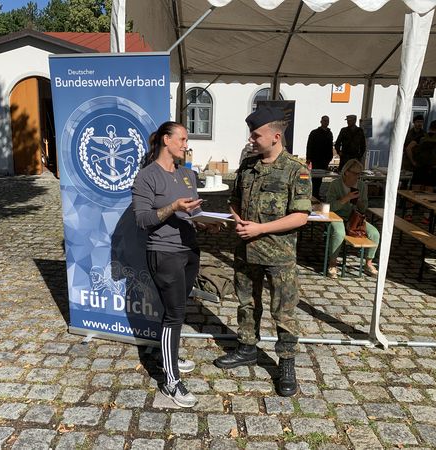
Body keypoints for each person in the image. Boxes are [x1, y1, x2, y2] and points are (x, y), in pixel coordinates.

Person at [214, 106, 312, 397]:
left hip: (278, 255)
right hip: (245, 250)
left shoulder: (296, 171)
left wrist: (260, 229)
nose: (251, 140)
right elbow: (233, 201)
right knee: (246, 303)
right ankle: (247, 348)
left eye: (256, 135)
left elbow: (301, 216)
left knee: (282, 310)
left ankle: (286, 363)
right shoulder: (248, 166)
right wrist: (238, 218)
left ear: (275, 136)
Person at [131, 121, 219, 408]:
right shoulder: (146, 177)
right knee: (175, 314)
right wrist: (172, 207)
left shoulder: (187, 174)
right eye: (182, 139)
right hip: (164, 252)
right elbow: (143, 220)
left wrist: (207, 224)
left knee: (176, 309)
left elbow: (193, 212)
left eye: (186, 140)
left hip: (189, 249)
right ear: (166, 140)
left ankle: (167, 352)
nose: (185, 144)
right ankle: (171, 381)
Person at [325, 159, 380, 279]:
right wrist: (346, 198)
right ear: (346, 172)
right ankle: (332, 263)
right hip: (337, 216)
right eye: (355, 173)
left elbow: (364, 208)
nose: (357, 177)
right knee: (339, 233)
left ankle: (368, 263)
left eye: (359, 174)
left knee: (375, 233)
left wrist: (359, 201)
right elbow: (330, 207)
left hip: (354, 218)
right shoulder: (335, 184)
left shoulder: (362, 186)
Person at [406, 120, 436, 193]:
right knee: (428, 195)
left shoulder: (421, 137)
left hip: (419, 167)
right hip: (431, 168)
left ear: (429, 127)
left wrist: (413, 161)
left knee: (414, 194)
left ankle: (414, 204)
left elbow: (408, 148)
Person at [306, 115, 334, 200]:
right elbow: (309, 145)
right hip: (316, 159)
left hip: (325, 159)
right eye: (324, 121)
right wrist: (308, 158)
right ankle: (313, 194)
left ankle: (316, 194)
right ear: (321, 122)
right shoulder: (314, 132)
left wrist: (330, 157)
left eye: (327, 121)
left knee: (321, 178)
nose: (326, 122)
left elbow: (330, 146)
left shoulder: (329, 133)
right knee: (315, 178)